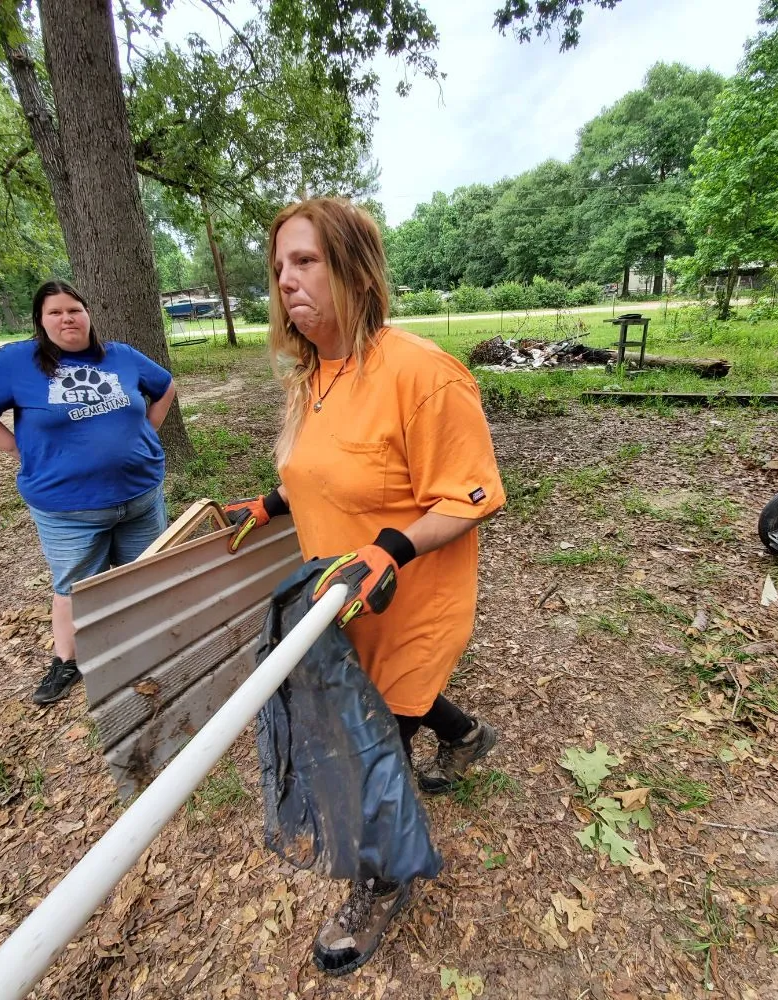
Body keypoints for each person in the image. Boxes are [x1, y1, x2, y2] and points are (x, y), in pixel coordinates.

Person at [223, 198, 506, 976]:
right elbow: (331, 468)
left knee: (372, 743)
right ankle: (468, 735)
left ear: (353, 268)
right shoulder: (311, 378)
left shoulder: (422, 373)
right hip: (339, 595)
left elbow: (474, 492)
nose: (286, 281)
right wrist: (273, 502)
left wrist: (387, 549)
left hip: (409, 595)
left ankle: (379, 881)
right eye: (279, 267)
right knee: (383, 702)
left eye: (305, 262)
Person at [0, 280, 176, 705]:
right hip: (68, 510)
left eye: (74, 309)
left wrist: (146, 430)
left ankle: (144, 645)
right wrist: (12, 446)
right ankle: (66, 660)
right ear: (41, 322)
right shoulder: (18, 361)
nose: (66, 318)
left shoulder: (121, 357)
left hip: (141, 497)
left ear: (88, 314)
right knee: (73, 587)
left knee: (143, 575)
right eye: (54, 312)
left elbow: (163, 386)